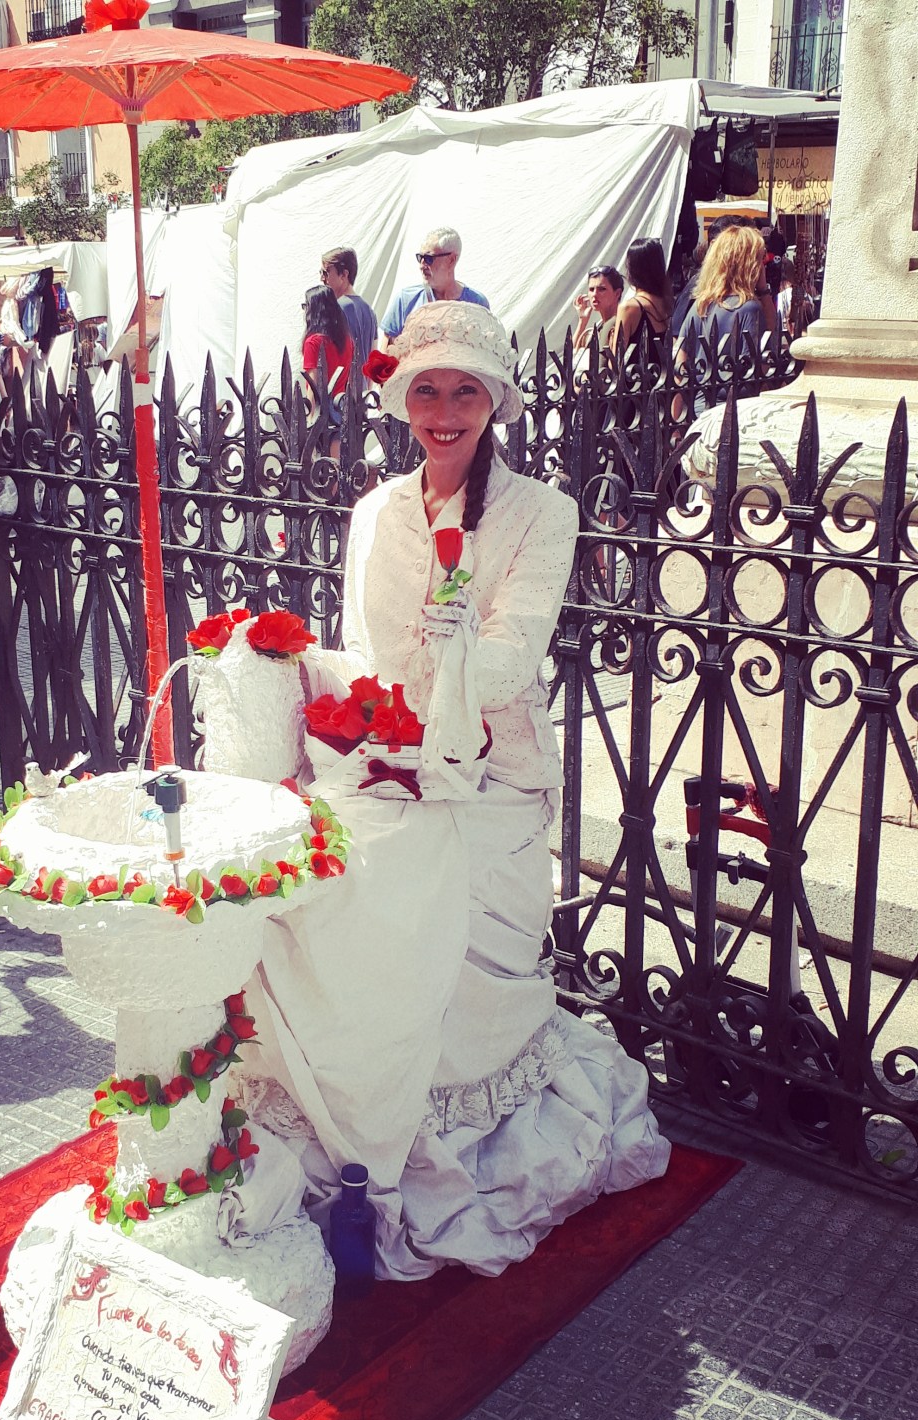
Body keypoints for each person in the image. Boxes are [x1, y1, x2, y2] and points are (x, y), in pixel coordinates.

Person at [240, 300, 670, 1279]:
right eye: (425, 389)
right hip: (388, 768)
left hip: (493, 778)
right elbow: (365, 659)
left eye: (463, 391)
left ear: (496, 402)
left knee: (438, 932)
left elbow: (514, 665)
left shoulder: (541, 512)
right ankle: (352, 1134)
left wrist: (465, 645)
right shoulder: (373, 512)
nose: (443, 410)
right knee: (321, 900)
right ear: (401, 402)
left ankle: (446, 1151)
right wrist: (301, 675)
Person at [675, 225, 776, 417]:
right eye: (759, 259)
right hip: (734, 413)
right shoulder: (749, 309)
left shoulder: (700, 306)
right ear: (748, 264)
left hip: (698, 411)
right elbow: (761, 368)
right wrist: (763, 289)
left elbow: (681, 369)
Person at [381, 228, 489, 345]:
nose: (421, 266)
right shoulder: (405, 299)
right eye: (419, 258)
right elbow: (386, 352)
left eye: (428, 259)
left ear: (451, 260)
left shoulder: (477, 303)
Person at [610, 238, 672, 356]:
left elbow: (616, 362)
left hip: (636, 373)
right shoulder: (668, 303)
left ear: (631, 268)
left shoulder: (629, 307)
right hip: (662, 373)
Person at [320, 246, 377, 372]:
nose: (322, 279)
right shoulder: (369, 311)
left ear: (344, 275)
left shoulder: (336, 308)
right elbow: (373, 357)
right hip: (363, 389)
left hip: (341, 389)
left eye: (326, 272)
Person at [301, 284, 354, 404]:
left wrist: (310, 418)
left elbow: (313, 386)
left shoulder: (313, 342)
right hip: (340, 404)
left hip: (323, 409)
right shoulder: (347, 340)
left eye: (306, 306)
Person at [571, 264, 623, 351]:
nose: (594, 294)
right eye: (591, 289)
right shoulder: (600, 326)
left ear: (617, 293)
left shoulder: (619, 324)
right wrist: (582, 321)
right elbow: (570, 356)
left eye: (602, 289)